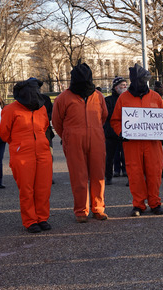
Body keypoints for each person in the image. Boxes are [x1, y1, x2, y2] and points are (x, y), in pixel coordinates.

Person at [52, 62, 109, 223]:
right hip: (74, 140)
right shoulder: (63, 98)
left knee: (98, 175)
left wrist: (95, 130)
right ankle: (81, 210)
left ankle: (98, 208)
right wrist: (68, 136)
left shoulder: (98, 96)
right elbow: (56, 121)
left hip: (96, 138)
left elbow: (103, 116)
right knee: (79, 177)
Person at [110, 63, 163, 217]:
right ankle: (138, 204)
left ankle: (155, 203)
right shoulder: (123, 98)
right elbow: (115, 120)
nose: (143, 83)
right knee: (135, 174)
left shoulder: (155, 97)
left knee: (154, 173)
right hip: (132, 143)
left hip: (152, 143)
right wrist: (121, 132)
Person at [0, 78, 53, 233]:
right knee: (27, 189)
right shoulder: (10, 109)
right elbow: (4, 133)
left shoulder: (40, 108)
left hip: (42, 151)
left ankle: (42, 218)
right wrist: (20, 144)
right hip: (22, 154)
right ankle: (30, 220)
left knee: (43, 187)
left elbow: (44, 127)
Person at [103, 77, 128, 185]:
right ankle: (108, 176)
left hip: (125, 132)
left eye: (125, 85)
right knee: (109, 157)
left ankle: (129, 176)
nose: (124, 87)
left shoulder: (128, 99)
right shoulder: (108, 100)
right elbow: (106, 114)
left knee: (127, 156)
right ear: (115, 87)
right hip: (111, 132)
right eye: (122, 85)